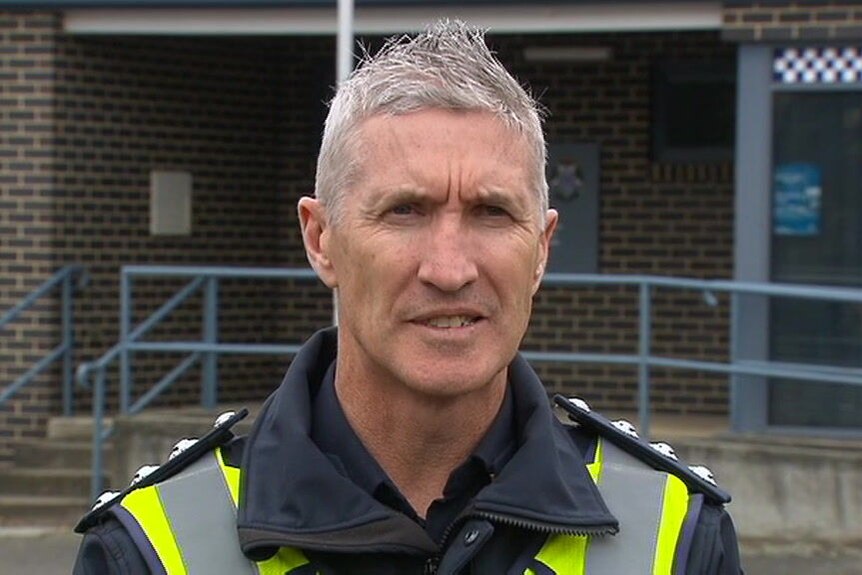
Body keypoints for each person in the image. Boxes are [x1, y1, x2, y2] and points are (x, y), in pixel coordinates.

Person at [73, 20, 742, 574]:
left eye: (491, 213)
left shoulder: (678, 536)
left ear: (540, 249)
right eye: (404, 212)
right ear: (320, 238)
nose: (450, 269)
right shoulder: (148, 549)